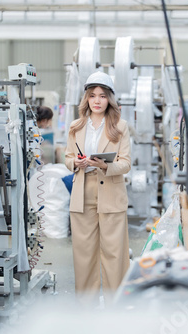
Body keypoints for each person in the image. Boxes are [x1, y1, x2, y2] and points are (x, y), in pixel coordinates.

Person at [64, 71, 131, 301]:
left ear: (109, 99)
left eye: (102, 96)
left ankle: (117, 305)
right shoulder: (75, 126)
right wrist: (76, 162)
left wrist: (104, 166)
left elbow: (125, 164)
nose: (97, 100)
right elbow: (67, 157)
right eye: (93, 95)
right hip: (83, 193)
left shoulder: (120, 127)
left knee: (114, 253)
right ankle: (86, 308)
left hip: (111, 193)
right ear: (87, 99)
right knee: (84, 254)